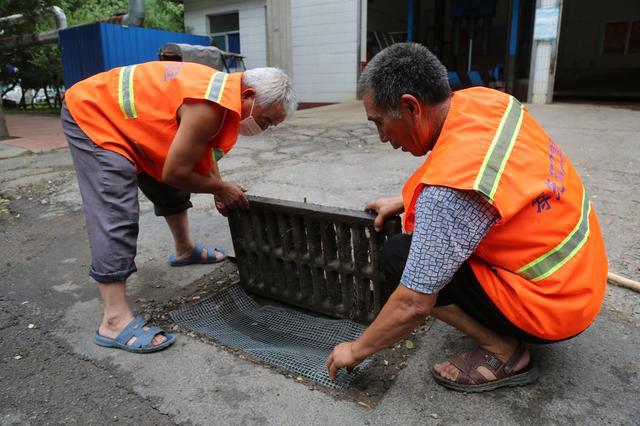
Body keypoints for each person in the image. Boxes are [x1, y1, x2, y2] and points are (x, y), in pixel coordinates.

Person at [326, 43, 607, 392]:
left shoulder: (450, 194)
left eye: (380, 123)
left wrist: (355, 350)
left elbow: (414, 303)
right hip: (584, 273)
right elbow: (475, 163)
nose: (382, 137)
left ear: (411, 107)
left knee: (400, 256)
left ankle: (503, 350)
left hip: (555, 306)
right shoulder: (486, 101)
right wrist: (405, 199)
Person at [61, 61, 297, 353]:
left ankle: (184, 249)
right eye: (266, 121)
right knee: (115, 207)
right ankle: (113, 320)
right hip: (94, 113)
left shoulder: (224, 96)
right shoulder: (208, 105)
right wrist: (220, 188)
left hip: (133, 124)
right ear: (248, 96)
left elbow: (201, 152)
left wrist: (217, 187)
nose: (265, 129)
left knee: (168, 175)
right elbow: (176, 172)